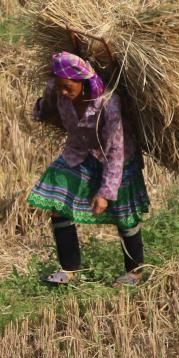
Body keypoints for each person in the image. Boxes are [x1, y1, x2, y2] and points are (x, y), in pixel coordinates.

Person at [27, 51, 151, 286]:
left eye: (67, 87)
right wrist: (41, 110)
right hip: (79, 153)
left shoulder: (108, 103)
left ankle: (135, 272)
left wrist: (105, 193)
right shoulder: (57, 90)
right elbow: (46, 108)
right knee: (57, 204)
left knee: (125, 217)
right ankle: (69, 270)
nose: (63, 92)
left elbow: (115, 150)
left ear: (83, 83)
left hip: (116, 159)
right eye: (59, 86)